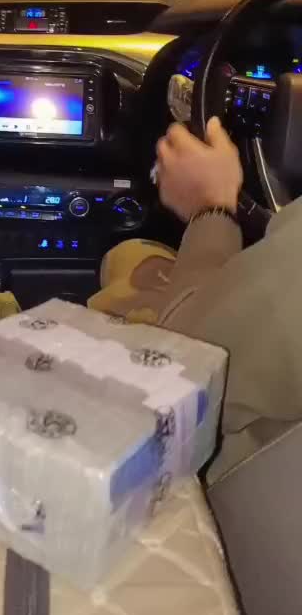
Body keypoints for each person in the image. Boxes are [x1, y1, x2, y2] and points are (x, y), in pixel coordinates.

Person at [91, 116, 302, 481]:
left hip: (222, 484)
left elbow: (182, 365)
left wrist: (210, 207)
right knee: (137, 259)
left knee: (128, 260)